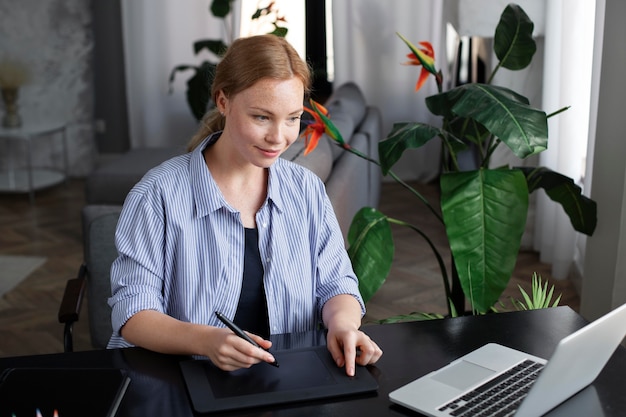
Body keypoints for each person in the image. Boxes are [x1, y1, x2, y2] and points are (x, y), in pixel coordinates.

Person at [107, 34, 382, 376]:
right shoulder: (157, 195)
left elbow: (336, 283)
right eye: (261, 117)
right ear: (223, 101)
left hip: (287, 378)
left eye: (293, 118)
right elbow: (132, 314)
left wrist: (343, 324)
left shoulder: (306, 190)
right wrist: (205, 340)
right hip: (181, 378)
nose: (279, 137)